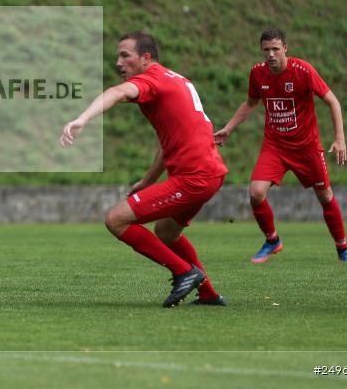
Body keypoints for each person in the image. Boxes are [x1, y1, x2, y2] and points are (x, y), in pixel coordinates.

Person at [60, 31, 228, 308]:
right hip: (210, 173)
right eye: (118, 56)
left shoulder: (152, 80)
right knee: (166, 233)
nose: (118, 62)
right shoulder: (175, 79)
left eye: (125, 55)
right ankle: (208, 294)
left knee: (116, 220)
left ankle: (185, 272)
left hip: (194, 177)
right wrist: (148, 180)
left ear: (146, 58)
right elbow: (169, 143)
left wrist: (82, 119)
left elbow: (117, 92)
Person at [214, 28, 347, 263]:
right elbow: (250, 103)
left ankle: (343, 249)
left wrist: (340, 138)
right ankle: (272, 240)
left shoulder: (303, 70)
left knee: (325, 197)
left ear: (285, 49)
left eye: (275, 49)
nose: (270, 54)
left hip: (307, 147)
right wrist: (229, 127)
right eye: (266, 49)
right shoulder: (257, 73)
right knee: (256, 193)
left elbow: (333, 101)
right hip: (275, 147)